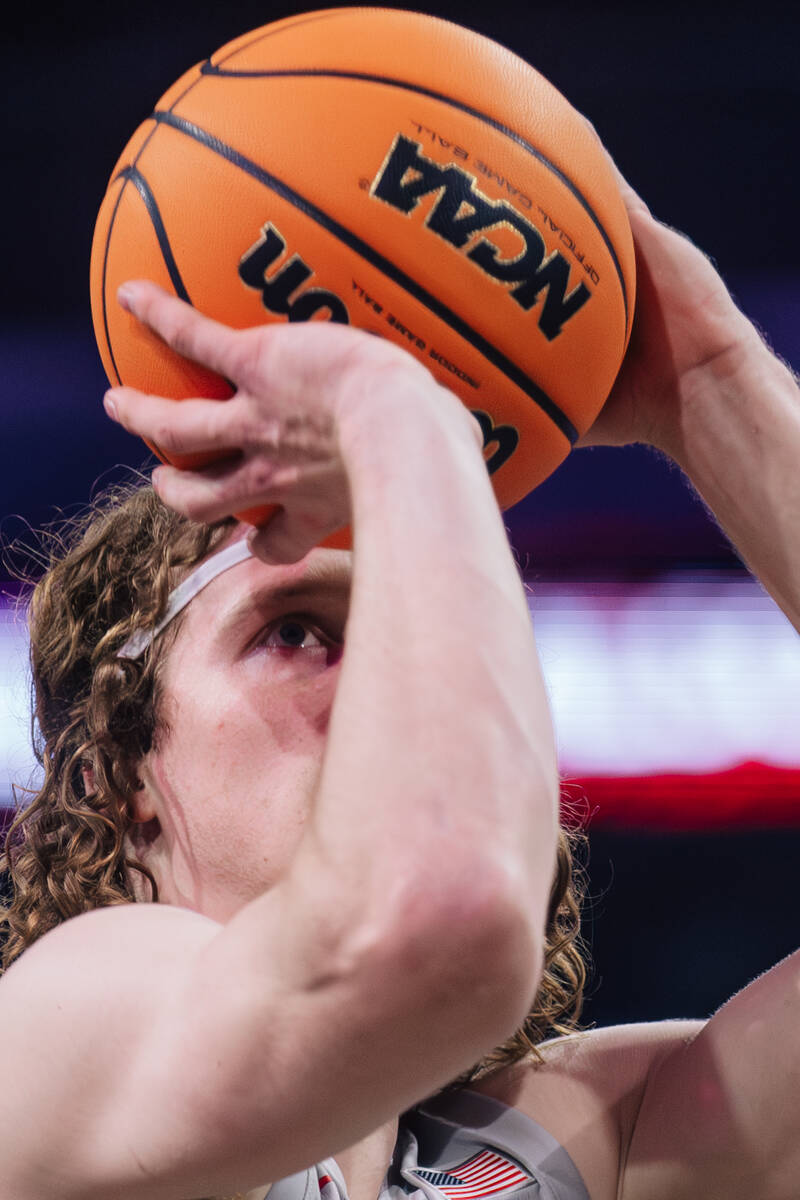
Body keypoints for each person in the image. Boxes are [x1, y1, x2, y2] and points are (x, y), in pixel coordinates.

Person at [0, 133, 797, 1200]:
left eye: (419, 633)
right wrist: (403, 414)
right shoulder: (55, 1032)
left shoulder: (545, 1148)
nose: (393, 678)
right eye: (294, 630)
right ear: (115, 768)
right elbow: (436, 917)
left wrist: (711, 387)